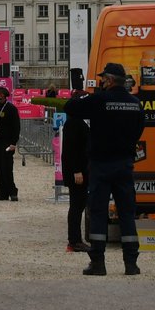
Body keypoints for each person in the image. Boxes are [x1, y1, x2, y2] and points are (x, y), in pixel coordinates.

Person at [67, 62, 147, 276]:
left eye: (103, 79)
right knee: (127, 214)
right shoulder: (135, 103)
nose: (101, 82)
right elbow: (139, 128)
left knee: (99, 213)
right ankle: (131, 264)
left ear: (109, 80)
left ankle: (98, 263)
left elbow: (71, 108)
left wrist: (81, 95)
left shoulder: (100, 100)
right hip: (124, 164)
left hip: (101, 165)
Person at [60, 87, 90, 252]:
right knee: (76, 206)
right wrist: (77, 170)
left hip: (79, 169)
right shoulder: (74, 123)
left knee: (78, 204)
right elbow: (72, 150)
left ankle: (76, 240)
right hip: (76, 171)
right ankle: (74, 240)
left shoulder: (76, 121)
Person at [0, 86, 21, 201]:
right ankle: (2, 192)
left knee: (6, 167)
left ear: (2, 95)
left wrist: (13, 143)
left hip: (7, 142)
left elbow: (16, 127)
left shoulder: (11, 108)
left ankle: (12, 191)